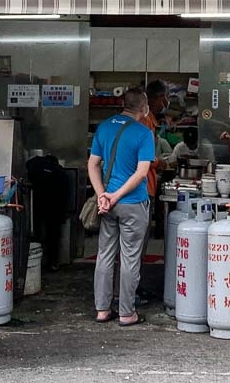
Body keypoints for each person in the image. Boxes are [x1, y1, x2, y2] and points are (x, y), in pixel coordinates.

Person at [89, 87, 155, 326]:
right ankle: (127, 313)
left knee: (105, 255)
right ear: (143, 107)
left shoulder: (104, 127)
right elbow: (142, 172)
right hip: (132, 203)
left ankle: (102, 310)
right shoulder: (143, 133)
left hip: (108, 205)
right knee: (130, 259)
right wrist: (115, 196)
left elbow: (93, 164)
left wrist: (102, 196)